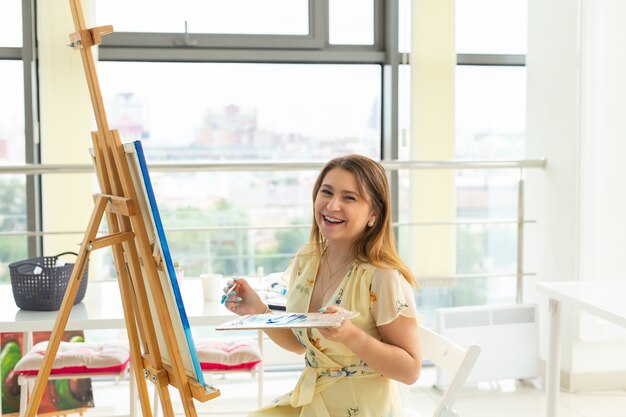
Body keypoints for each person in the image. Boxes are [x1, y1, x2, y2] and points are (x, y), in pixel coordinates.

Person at [223, 154, 421, 417]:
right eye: (326, 192)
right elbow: (301, 343)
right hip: (311, 400)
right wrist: (257, 311)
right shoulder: (307, 260)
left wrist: (352, 336)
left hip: (361, 408)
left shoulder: (383, 276)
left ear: (374, 213)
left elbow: (410, 371)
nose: (332, 205)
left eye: (349, 198)